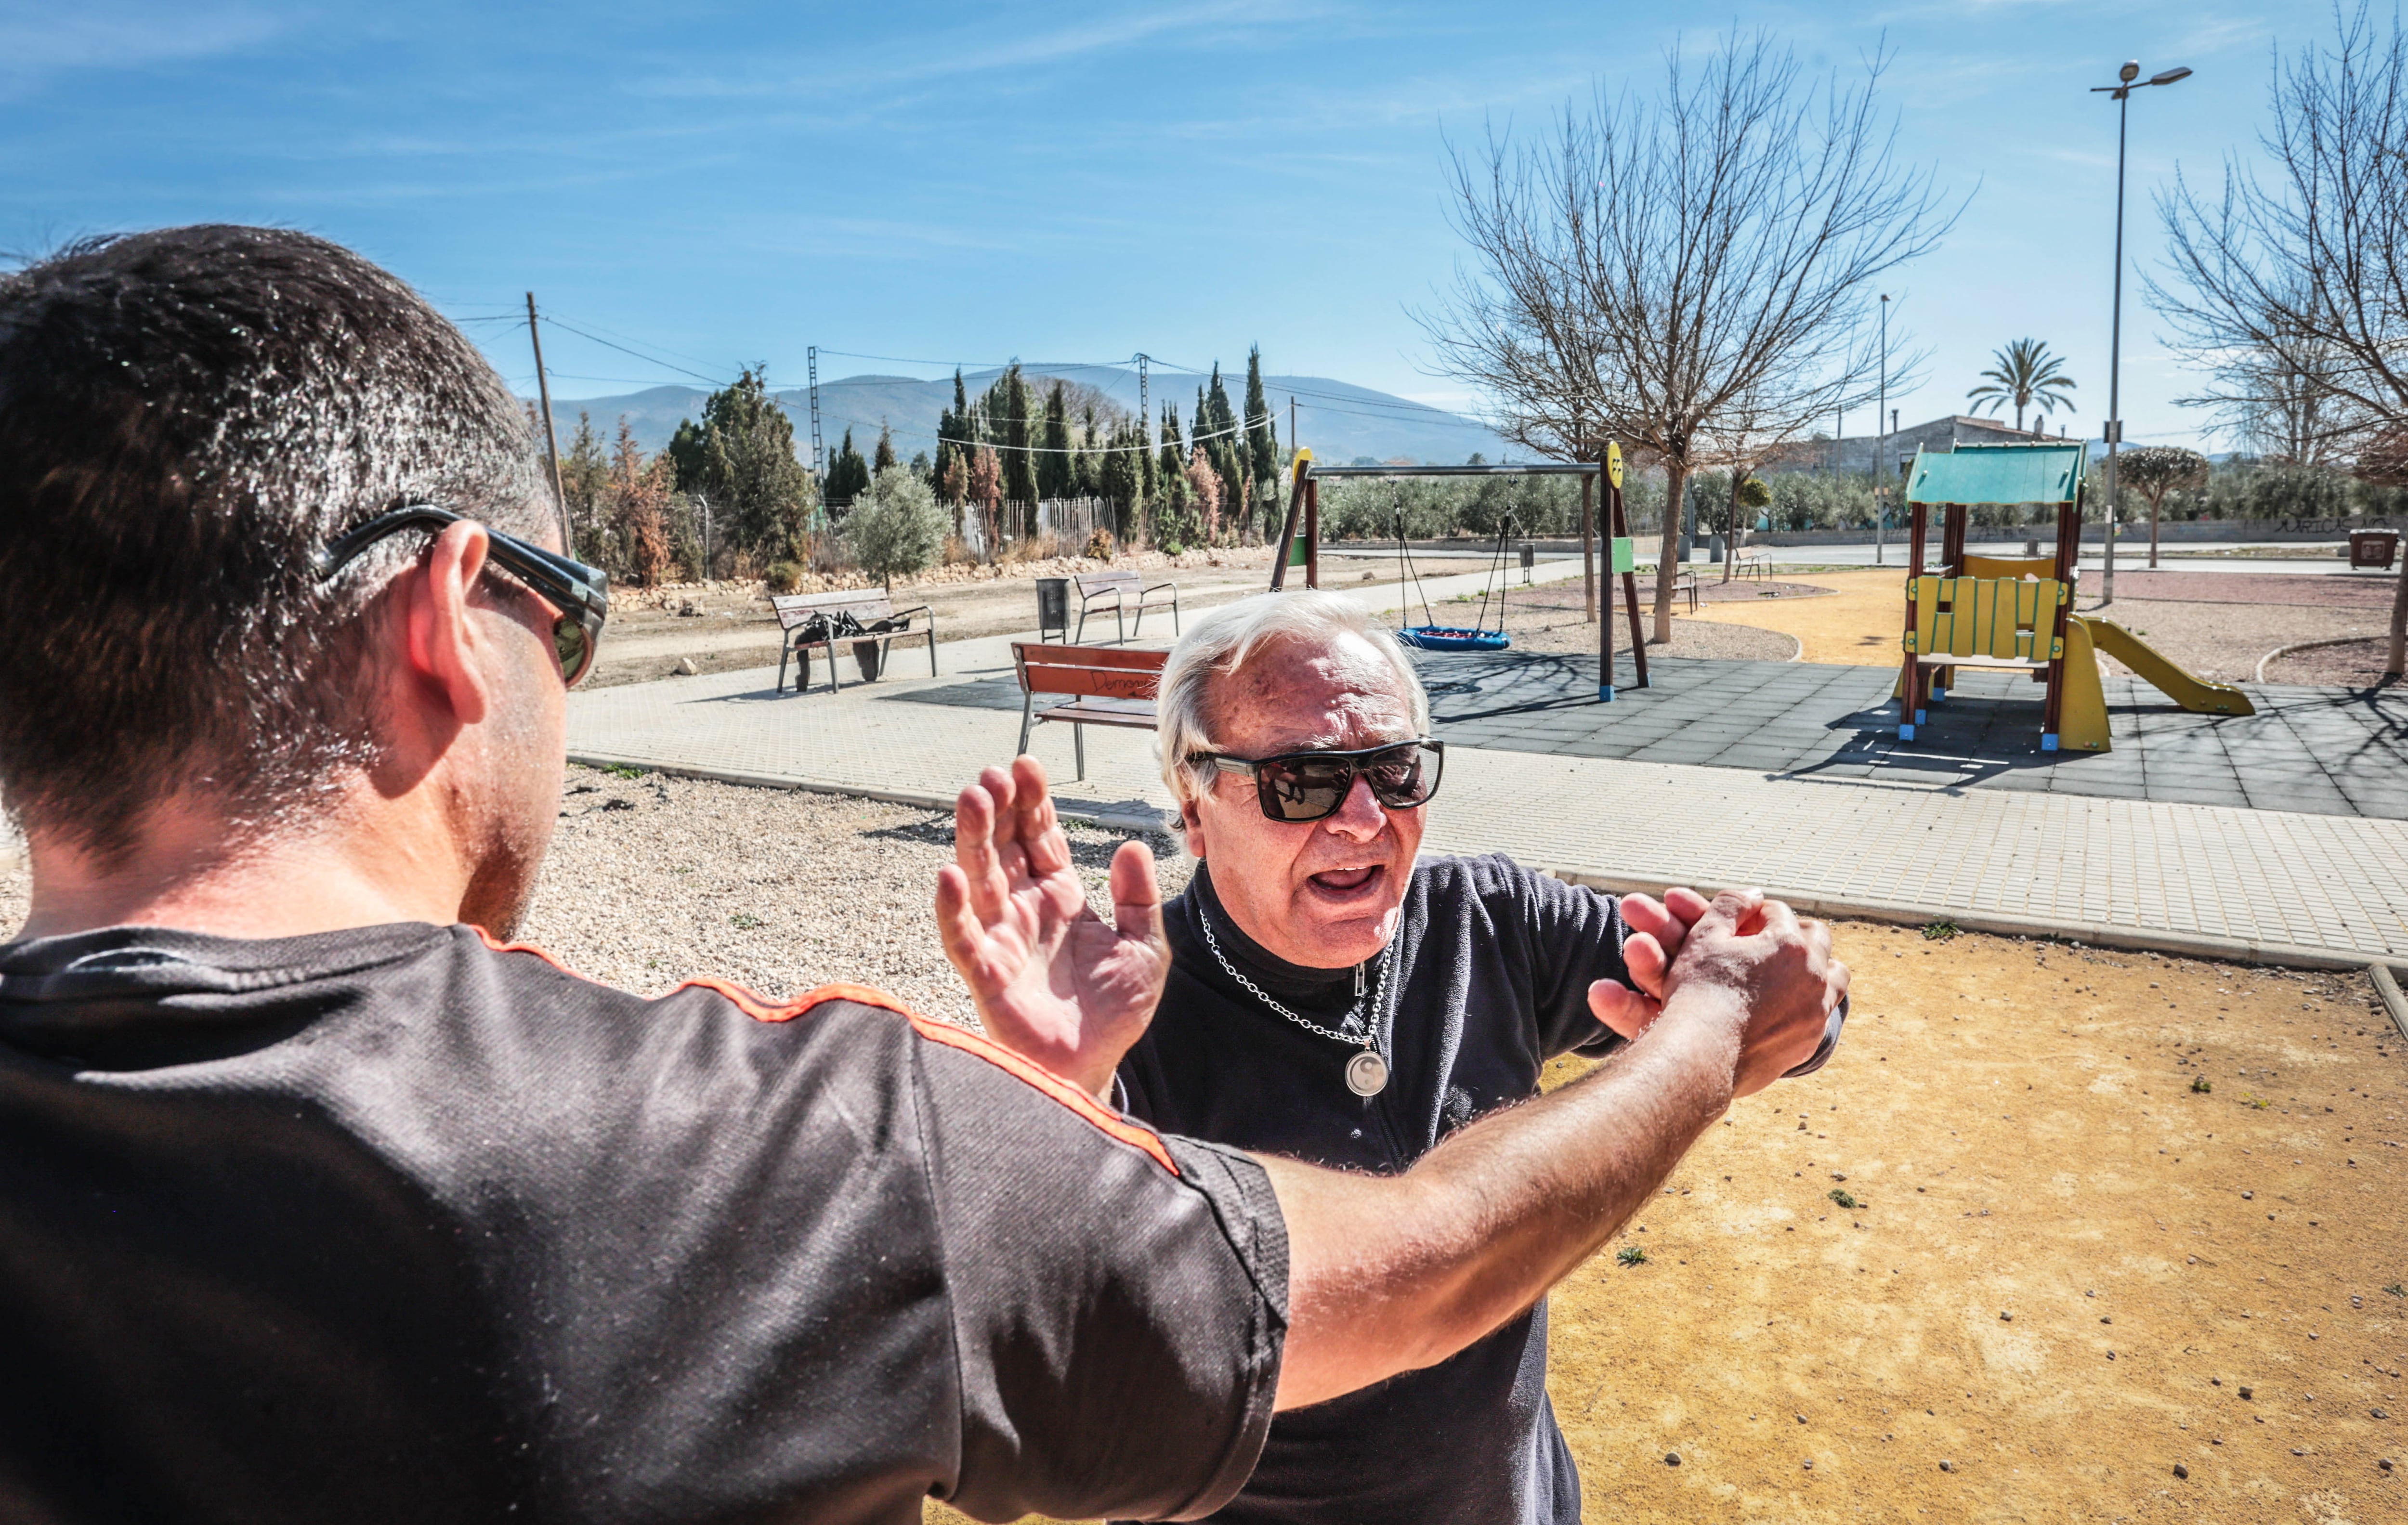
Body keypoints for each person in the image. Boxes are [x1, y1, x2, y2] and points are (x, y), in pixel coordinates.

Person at [0, 226, 1846, 1525]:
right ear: (437, 627)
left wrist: (1035, 1114)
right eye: (570, 615)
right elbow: (1375, 1283)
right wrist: (1698, 1043)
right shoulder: (785, 1161)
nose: (1360, 812)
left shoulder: (873, 1157)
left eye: (1390, 771)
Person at [948, 591, 1848, 1524]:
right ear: (1193, 800)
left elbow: (1775, 1003)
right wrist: (1053, 1093)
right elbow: (1028, 1381)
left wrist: (1784, 994)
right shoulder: (1120, 1014)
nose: (1362, 818)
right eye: (1301, 779)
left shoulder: (1489, 920)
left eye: (1392, 767)